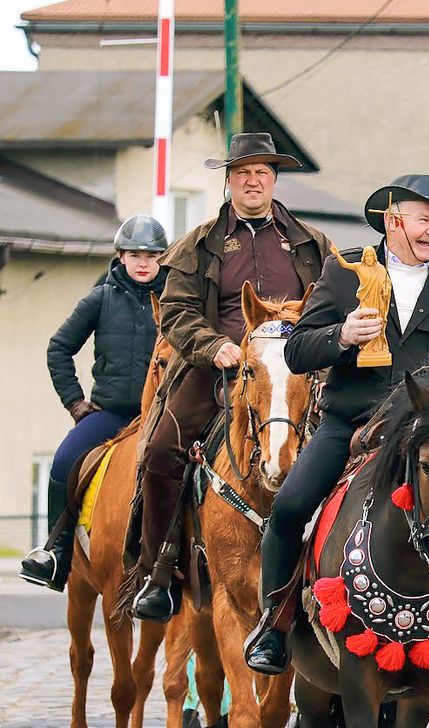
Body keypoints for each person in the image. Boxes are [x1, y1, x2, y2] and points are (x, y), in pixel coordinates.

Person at [244, 175, 429, 683]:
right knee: (288, 507)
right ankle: (276, 622)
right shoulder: (344, 271)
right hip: (353, 421)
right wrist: (341, 335)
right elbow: (297, 350)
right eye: (425, 220)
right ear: (393, 220)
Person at [129, 133, 332, 622]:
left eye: (262, 172)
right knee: (159, 451)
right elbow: (175, 312)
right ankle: (161, 570)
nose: (253, 180)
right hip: (219, 366)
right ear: (229, 181)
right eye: (243, 172)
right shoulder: (198, 243)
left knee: (357, 444)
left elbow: (333, 305)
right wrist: (212, 346)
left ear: (274, 179)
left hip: (297, 367)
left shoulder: (312, 243)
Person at [21, 216, 169, 592]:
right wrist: (74, 402)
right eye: (135, 254)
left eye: (151, 256)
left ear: (161, 259)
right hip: (111, 413)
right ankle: (57, 554)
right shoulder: (99, 299)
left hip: (163, 415)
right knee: (63, 461)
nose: (143, 263)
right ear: (120, 256)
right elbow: (59, 348)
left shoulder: (175, 301)